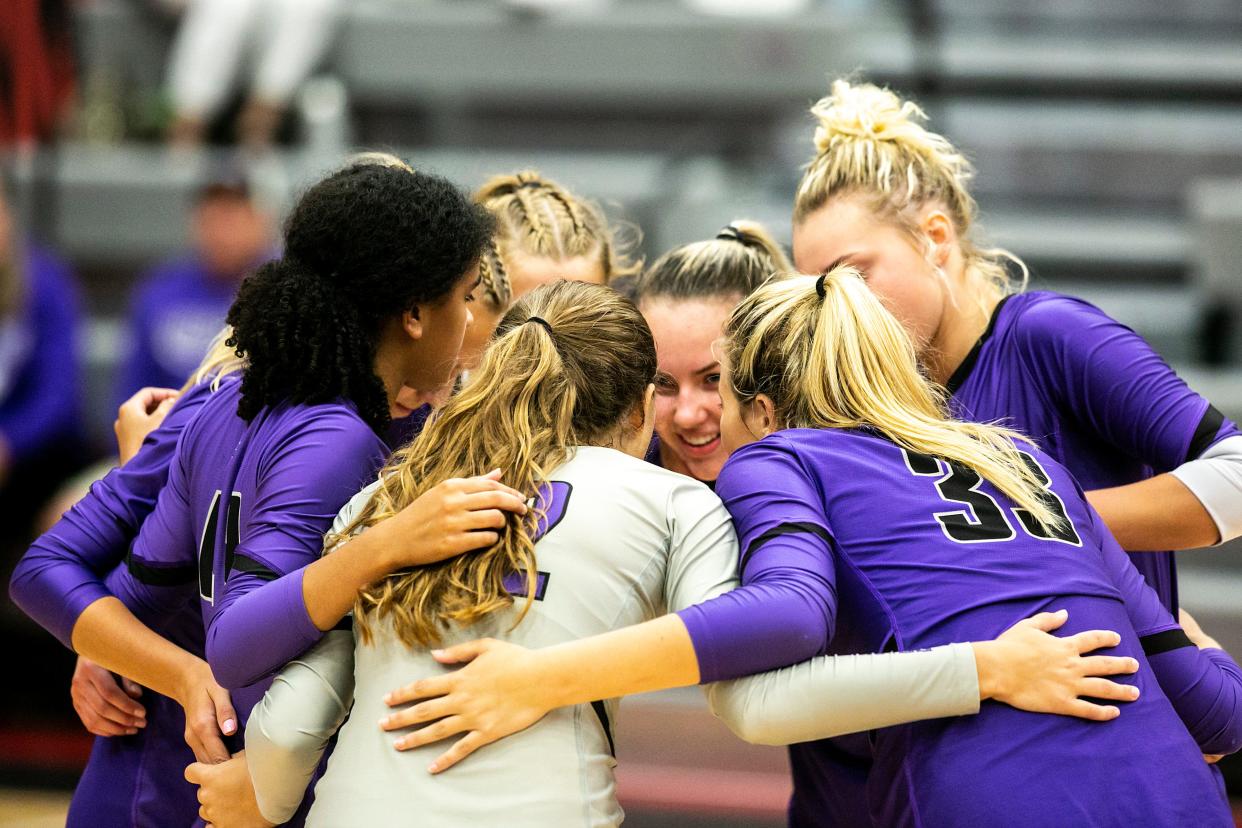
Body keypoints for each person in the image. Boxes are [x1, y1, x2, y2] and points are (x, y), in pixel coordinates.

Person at [230, 281, 1138, 828]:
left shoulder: (391, 498)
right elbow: (762, 696)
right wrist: (981, 667)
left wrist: (260, 799)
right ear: (641, 414)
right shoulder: (675, 502)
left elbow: (296, 710)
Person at [12, 160, 523, 827]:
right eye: (464, 300)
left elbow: (114, 571)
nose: (459, 371)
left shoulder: (233, 399)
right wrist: (164, 665)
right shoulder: (316, 427)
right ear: (413, 312)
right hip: (203, 777)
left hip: (209, 779)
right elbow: (229, 634)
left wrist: (132, 643)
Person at [789, 80, 1242, 611]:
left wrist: (1035, 519)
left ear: (935, 238)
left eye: (855, 275)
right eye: (819, 290)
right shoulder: (861, 406)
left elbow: (1235, 476)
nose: (839, 309)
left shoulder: (1049, 335)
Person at [634, 221, 789, 483]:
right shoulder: (618, 480)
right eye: (663, 383)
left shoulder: (832, 478)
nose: (686, 416)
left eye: (713, 379)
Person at [114, 174, 272, 400]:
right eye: (213, 218)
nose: (222, 233)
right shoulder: (160, 291)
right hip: (172, 428)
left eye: (233, 218)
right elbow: (133, 394)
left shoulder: (285, 294)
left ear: (260, 223)